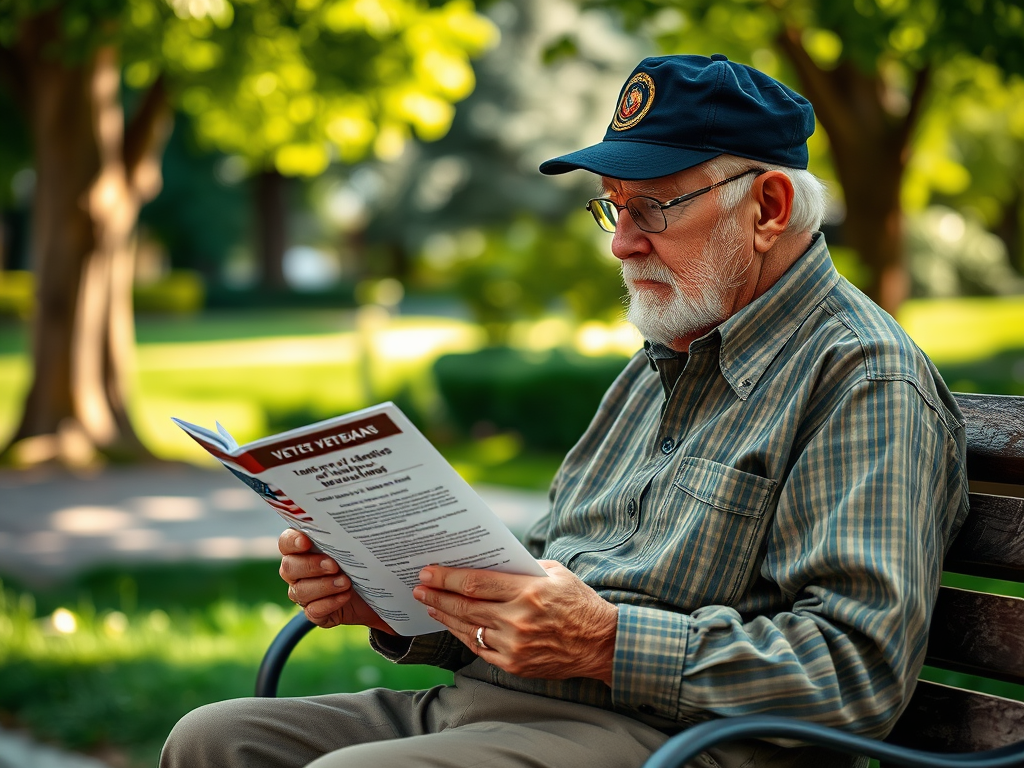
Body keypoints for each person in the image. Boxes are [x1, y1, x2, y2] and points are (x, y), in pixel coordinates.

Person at [161, 54, 969, 768]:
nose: (622, 243)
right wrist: (399, 600)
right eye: (613, 208)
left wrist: (608, 642)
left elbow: (858, 672)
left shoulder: (862, 378)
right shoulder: (665, 358)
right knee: (212, 740)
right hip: (504, 707)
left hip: (671, 742)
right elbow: (541, 582)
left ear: (767, 207)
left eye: (653, 208)